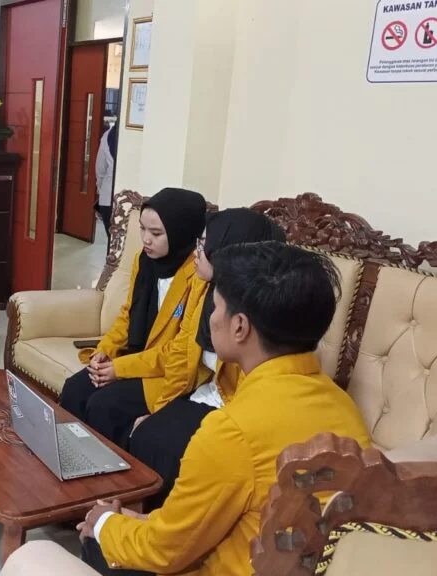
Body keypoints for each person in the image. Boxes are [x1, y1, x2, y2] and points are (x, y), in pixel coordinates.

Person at [76, 242, 371, 576]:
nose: (211, 318)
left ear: (239, 326)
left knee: (95, 543)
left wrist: (104, 523)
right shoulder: (345, 409)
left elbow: (164, 552)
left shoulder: (231, 431)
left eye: (215, 307)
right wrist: (142, 521)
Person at [129, 208, 286, 510]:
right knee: (145, 432)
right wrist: (160, 411)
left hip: (235, 411)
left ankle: (157, 526)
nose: (196, 253)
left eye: (204, 245)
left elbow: (252, 401)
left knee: (164, 446)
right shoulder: (206, 289)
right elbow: (181, 354)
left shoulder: (259, 316)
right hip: (207, 394)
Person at [58, 188, 208, 446]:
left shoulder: (197, 275)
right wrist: (105, 351)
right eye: (142, 229)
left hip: (167, 373)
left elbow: (180, 352)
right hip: (137, 356)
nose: (146, 239)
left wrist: (120, 369)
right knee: (75, 388)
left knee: (105, 406)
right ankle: (68, 456)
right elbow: (128, 315)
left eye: (156, 233)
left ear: (182, 231)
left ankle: (108, 468)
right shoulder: (145, 261)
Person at [95, 123, 118, 235]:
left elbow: (100, 169)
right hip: (130, 200)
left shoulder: (108, 136)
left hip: (107, 197)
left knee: (111, 238)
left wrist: (100, 189)